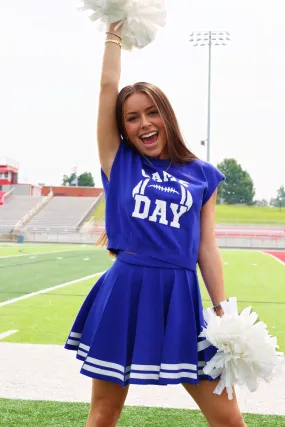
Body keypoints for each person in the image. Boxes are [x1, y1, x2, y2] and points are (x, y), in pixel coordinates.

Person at [65, 22, 246, 427]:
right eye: (132, 118)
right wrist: (113, 33)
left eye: (151, 113)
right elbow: (107, 88)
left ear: (167, 116)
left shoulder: (202, 175)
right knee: (104, 412)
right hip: (125, 291)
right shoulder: (120, 161)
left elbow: (206, 247)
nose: (144, 124)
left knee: (229, 416)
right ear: (123, 128)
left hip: (181, 297)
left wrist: (220, 310)